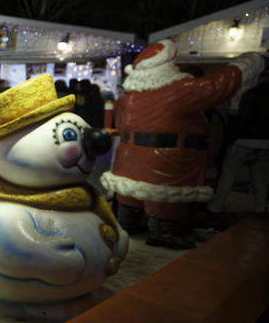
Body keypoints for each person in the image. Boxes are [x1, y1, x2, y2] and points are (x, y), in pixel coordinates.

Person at [100, 39, 263, 248]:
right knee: (164, 195)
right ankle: (163, 232)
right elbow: (219, 86)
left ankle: (128, 221)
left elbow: (120, 122)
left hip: (129, 155)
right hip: (165, 157)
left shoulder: (129, 94)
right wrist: (246, 64)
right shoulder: (180, 89)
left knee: (130, 191)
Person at [208, 65, 269, 213]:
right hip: (266, 142)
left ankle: (216, 205)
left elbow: (244, 117)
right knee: (259, 177)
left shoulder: (251, 94)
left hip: (245, 140)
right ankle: (260, 208)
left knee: (229, 173)